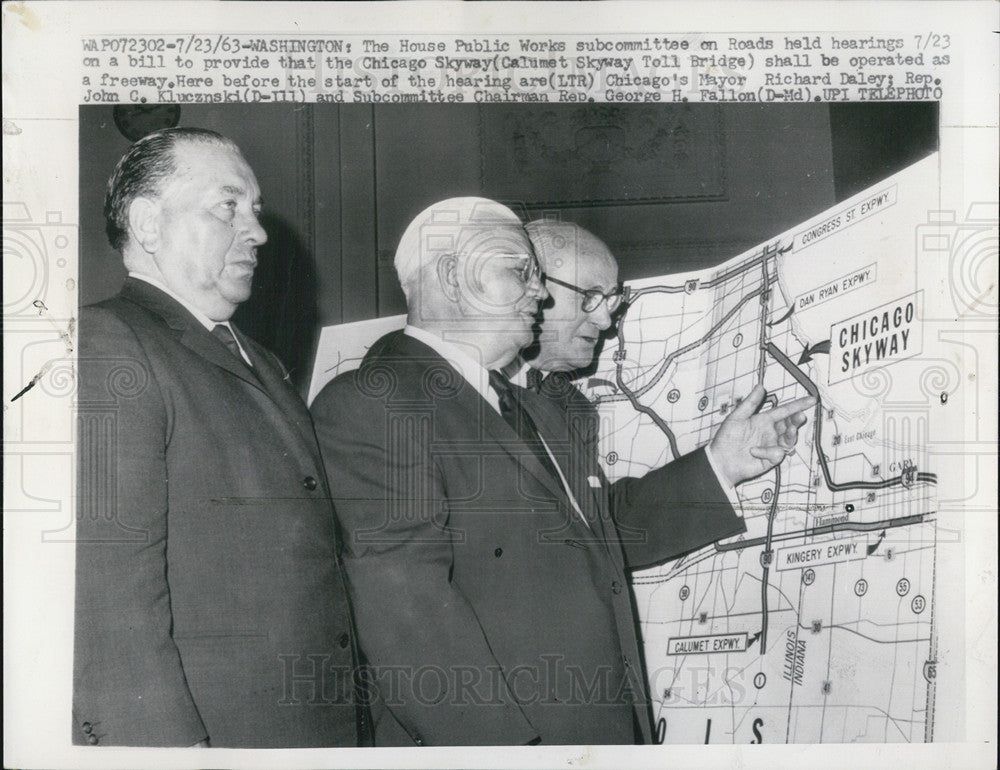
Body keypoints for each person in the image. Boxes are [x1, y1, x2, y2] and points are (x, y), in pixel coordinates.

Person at [311, 199, 814, 745]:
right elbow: (411, 625)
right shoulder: (373, 403)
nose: (541, 292)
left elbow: (593, 534)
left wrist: (723, 463)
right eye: (520, 272)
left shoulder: (526, 405)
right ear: (454, 276)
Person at [73, 127, 365, 748]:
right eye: (228, 206)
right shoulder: (108, 344)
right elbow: (108, 594)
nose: (258, 231)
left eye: (255, 210)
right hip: (217, 735)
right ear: (148, 224)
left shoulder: (263, 360)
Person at [508, 219, 803, 566]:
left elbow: (600, 532)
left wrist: (723, 463)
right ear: (528, 286)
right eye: (589, 296)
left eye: (611, 301)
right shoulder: (457, 397)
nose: (606, 322)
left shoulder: (568, 405)